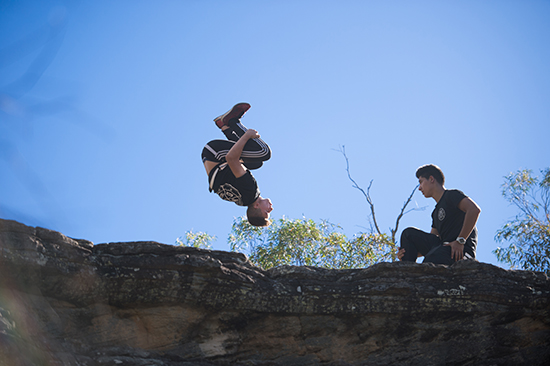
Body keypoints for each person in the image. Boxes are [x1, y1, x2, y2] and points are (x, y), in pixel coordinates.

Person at [201, 102, 273, 227]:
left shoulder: (250, 190)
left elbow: (231, 159)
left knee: (263, 152)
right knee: (256, 163)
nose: (271, 209)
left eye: (267, 211)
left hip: (215, 153)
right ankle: (223, 126)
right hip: (213, 160)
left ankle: (232, 121)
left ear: (256, 206)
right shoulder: (243, 200)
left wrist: (247, 135)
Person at [398, 164, 481, 265]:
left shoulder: (451, 195)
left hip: (460, 252)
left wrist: (460, 241)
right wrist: (407, 252)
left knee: (431, 259)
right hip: (443, 249)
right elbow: (430, 242)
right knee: (408, 234)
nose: (419, 188)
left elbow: (474, 210)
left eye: (421, 182)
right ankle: (406, 271)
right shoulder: (435, 213)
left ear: (431, 179)